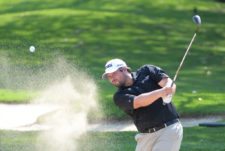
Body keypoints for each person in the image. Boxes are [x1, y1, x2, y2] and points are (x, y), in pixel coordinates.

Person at [102, 58, 183, 151]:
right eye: (109, 76)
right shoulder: (120, 96)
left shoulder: (147, 71)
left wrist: (169, 90)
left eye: (113, 73)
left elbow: (168, 83)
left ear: (123, 69)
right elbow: (139, 102)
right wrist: (161, 92)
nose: (111, 78)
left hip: (168, 129)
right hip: (145, 136)